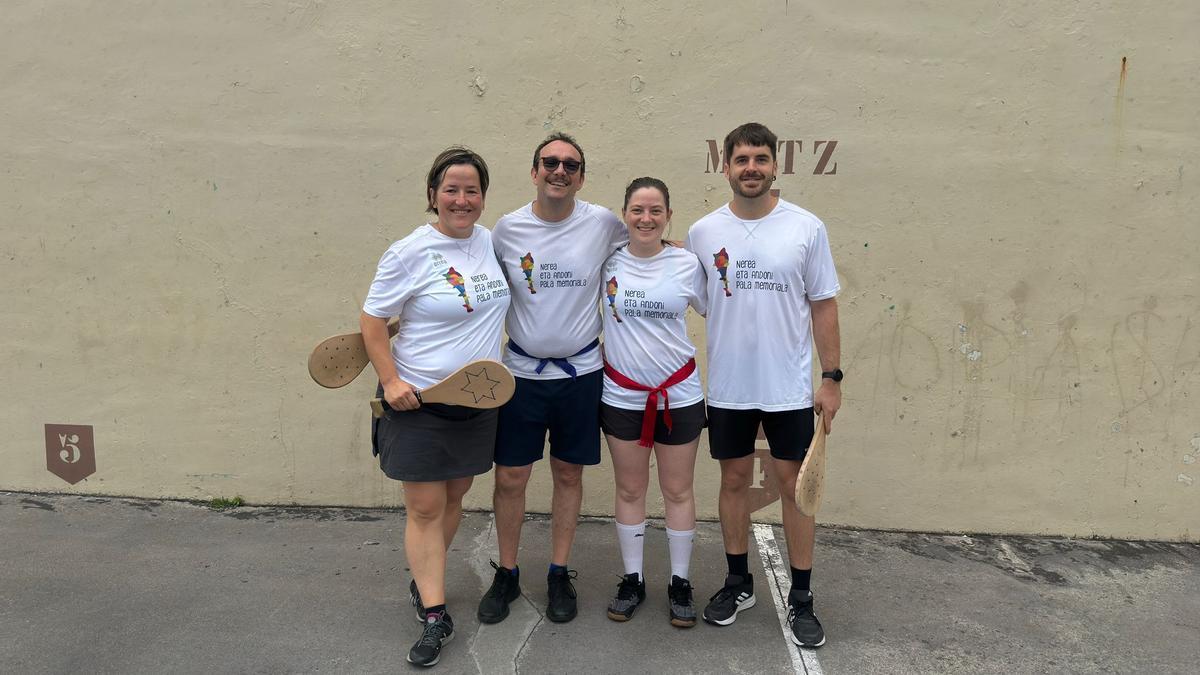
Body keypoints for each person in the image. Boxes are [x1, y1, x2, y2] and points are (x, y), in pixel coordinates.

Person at [684, 122, 843, 648]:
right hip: (728, 387)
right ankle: (738, 582)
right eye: (740, 159)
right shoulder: (704, 232)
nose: (750, 168)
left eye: (760, 158)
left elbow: (823, 304)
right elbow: (695, 295)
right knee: (733, 484)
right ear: (724, 166)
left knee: (795, 489)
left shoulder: (806, 227)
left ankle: (802, 597)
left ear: (775, 165)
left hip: (789, 388)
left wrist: (832, 378)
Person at [360, 147, 510, 667]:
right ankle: (433, 613)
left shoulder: (492, 244)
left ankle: (424, 578)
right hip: (418, 402)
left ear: (483, 198)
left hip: (476, 403)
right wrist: (391, 380)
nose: (462, 199)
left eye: (471, 190)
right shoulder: (409, 252)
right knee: (424, 508)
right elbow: (373, 320)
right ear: (433, 196)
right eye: (452, 189)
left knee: (455, 497)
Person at [480, 133, 627, 624]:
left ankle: (559, 571)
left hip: (581, 374)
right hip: (520, 374)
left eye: (570, 164)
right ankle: (507, 571)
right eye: (550, 162)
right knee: (511, 477)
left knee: (568, 473)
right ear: (534, 170)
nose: (559, 171)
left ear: (581, 176)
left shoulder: (604, 223)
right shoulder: (506, 229)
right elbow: (475, 286)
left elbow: (648, 246)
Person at [598, 177, 707, 627]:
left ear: (668, 216)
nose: (646, 218)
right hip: (622, 396)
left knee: (678, 490)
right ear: (625, 215)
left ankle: (679, 581)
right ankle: (633, 578)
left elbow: (721, 310)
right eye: (638, 210)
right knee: (629, 489)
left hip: (678, 396)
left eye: (655, 210)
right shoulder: (606, 263)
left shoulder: (687, 264)